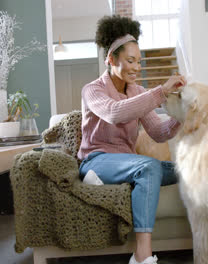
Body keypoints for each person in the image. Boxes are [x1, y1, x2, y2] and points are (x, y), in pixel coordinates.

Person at [78, 15, 186, 264]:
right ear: (110, 60)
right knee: (148, 166)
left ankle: (111, 182)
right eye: (130, 61)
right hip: (96, 160)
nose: (137, 67)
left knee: (187, 170)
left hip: (127, 163)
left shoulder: (137, 91)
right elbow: (115, 113)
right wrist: (160, 92)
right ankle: (142, 255)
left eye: (139, 61)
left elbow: (159, 133)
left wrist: (183, 113)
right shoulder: (92, 90)